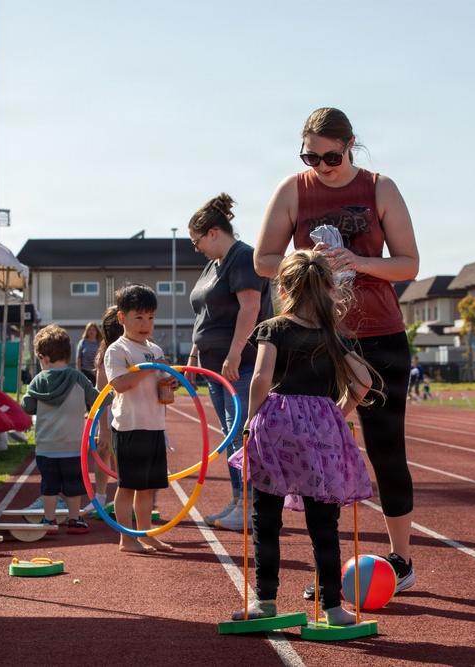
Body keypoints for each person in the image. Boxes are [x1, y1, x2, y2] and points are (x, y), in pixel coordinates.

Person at [253, 107, 420, 594]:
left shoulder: (379, 187)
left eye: (331, 156)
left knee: (387, 448)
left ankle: (402, 560)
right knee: (312, 453)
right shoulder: (293, 189)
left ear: (351, 145)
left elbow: (409, 263)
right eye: (311, 156)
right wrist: (306, 262)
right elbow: (265, 260)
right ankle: (329, 575)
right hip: (312, 332)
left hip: (379, 332)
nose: (322, 166)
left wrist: (360, 261)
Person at [229, 250, 377, 625]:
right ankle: (333, 607)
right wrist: (336, 414)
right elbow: (364, 381)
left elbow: (262, 378)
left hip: (278, 425)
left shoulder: (274, 328)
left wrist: (250, 420)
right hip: (321, 431)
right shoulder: (331, 334)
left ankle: (265, 601)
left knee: (266, 517)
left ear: (284, 288)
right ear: (328, 288)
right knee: (323, 522)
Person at [185, 192, 272, 531]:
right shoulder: (214, 264)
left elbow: (250, 307)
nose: (197, 249)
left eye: (197, 242)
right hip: (214, 366)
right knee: (228, 437)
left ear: (213, 233)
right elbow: (204, 313)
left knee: (241, 437)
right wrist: (195, 354)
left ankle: (251, 507)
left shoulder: (243, 258)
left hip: (240, 365)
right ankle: (239, 501)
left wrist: (235, 352)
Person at [103, 284, 175, 553]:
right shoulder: (117, 350)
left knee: (148, 488)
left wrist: (168, 382)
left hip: (154, 425)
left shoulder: (154, 350)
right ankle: (126, 538)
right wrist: (148, 369)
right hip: (130, 427)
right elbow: (120, 384)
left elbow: (160, 383)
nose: (146, 324)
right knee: (129, 486)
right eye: (139, 317)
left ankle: (144, 534)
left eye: (150, 318)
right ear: (122, 318)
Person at [20, 324, 106, 534]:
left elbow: (27, 406)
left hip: (46, 446)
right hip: (73, 446)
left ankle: (49, 521)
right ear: (68, 354)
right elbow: (97, 400)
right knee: (73, 484)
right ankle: (74, 519)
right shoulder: (78, 378)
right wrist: (113, 394)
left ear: (44, 358)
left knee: (49, 485)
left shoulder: (38, 381)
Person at [91, 306, 123, 512]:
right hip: (111, 412)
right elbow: (100, 395)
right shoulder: (107, 356)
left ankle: (125, 497)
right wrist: (103, 428)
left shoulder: (144, 347)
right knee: (103, 449)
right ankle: (100, 497)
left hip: (131, 413)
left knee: (125, 455)